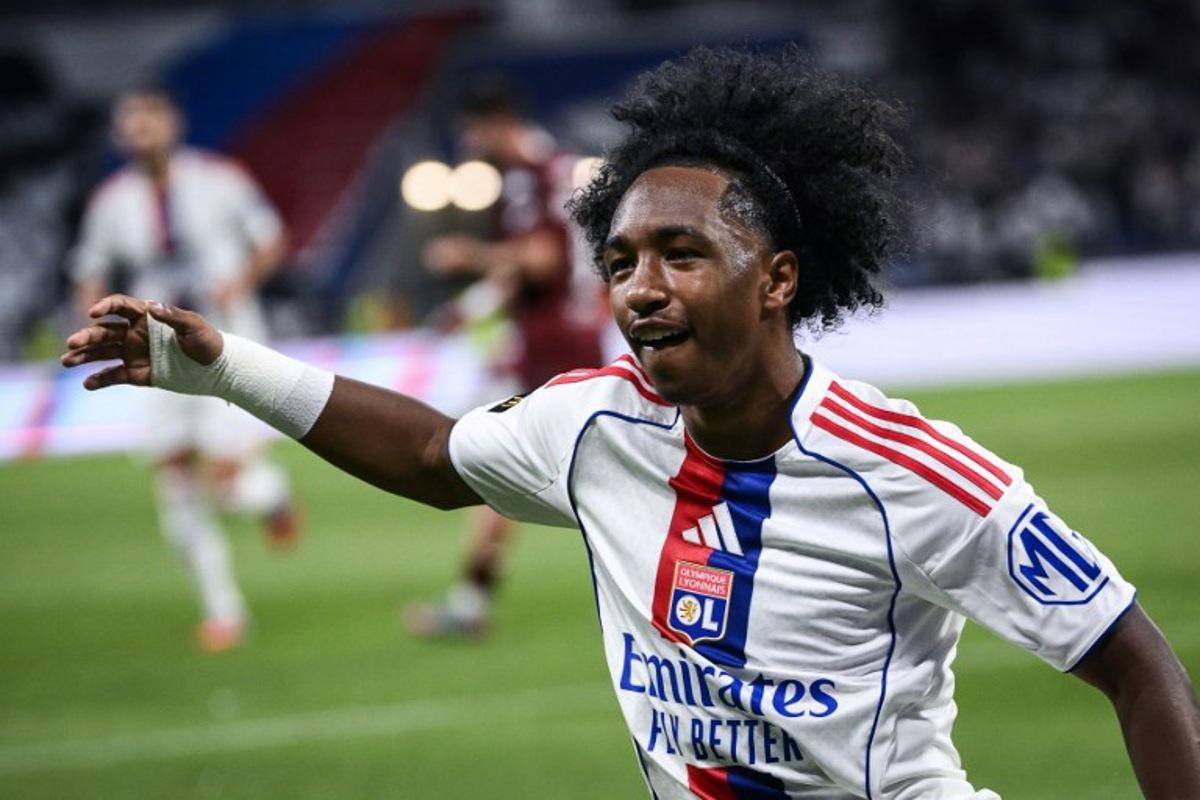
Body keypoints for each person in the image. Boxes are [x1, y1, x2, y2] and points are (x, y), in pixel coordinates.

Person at [63, 48, 1199, 797]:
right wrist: (218, 366)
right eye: (619, 259)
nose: (640, 285)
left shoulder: (914, 474)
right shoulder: (593, 428)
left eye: (682, 252)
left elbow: (1139, 663)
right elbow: (427, 453)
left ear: (778, 278)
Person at [70, 84, 301, 653]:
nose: (141, 127)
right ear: (120, 133)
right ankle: (223, 611)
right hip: (157, 353)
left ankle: (268, 494)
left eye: (150, 115)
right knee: (175, 481)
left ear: (173, 122)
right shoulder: (111, 202)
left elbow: (271, 242)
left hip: (228, 344)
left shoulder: (221, 178)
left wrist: (238, 283)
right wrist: (96, 320)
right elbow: (89, 271)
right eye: (131, 119)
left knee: (225, 482)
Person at [406, 78, 606, 638]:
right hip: (552, 339)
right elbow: (526, 268)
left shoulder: (534, 176)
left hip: (553, 344)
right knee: (501, 465)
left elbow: (541, 262)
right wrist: (473, 305)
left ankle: (471, 603)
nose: (469, 144)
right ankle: (470, 602)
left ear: (496, 124)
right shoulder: (551, 168)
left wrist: (468, 255)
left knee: (497, 462)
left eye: (472, 131)